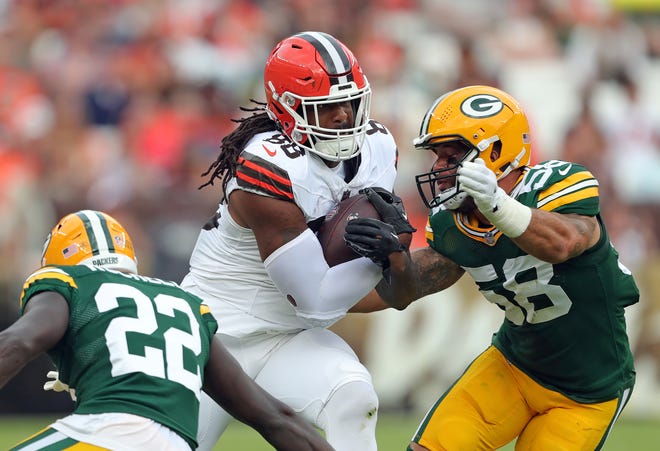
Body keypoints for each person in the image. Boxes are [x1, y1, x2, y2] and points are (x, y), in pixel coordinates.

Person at [345, 85, 639, 451]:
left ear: (496, 153)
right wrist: (317, 294)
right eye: (437, 156)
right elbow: (412, 283)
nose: (438, 169)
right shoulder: (454, 222)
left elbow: (564, 243)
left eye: (451, 157)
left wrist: (497, 204)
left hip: (588, 389)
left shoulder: (557, 184)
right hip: (514, 365)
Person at [181, 31, 414, 451]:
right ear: (288, 111)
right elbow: (318, 300)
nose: (345, 116)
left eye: (351, 102)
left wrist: (392, 251)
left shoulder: (378, 146)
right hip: (212, 334)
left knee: (352, 397)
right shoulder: (267, 166)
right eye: (328, 108)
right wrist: (386, 253)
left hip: (288, 337)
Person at [0, 209, 333, 451]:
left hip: (108, 432)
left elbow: (20, 341)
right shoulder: (185, 303)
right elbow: (275, 418)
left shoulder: (69, 282)